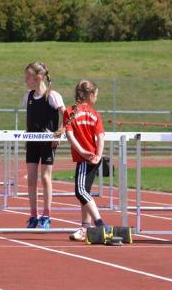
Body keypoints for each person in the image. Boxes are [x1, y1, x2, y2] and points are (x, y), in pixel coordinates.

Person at [63, 80, 109, 242]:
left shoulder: (70, 111)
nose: (96, 98)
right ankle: (85, 228)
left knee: (80, 191)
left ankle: (100, 224)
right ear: (90, 95)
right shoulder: (93, 114)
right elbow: (101, 137)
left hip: (85, 158)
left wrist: (83, 152)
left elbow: (70, 136)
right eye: (96, 95)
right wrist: (98, 155)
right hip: (92, 158)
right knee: (85, 192)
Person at [22, 62, 66, 230]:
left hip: (48, 142)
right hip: (32, 142)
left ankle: (46, 215)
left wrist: (60, 132)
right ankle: (33, 215)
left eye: (28, 77)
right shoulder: (28, 96)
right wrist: (27, 135)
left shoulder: (53, 96)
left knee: (45, 178)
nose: (25, 80)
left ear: (38, 78)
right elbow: (29, 118)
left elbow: (67, 115)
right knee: (31, 178)